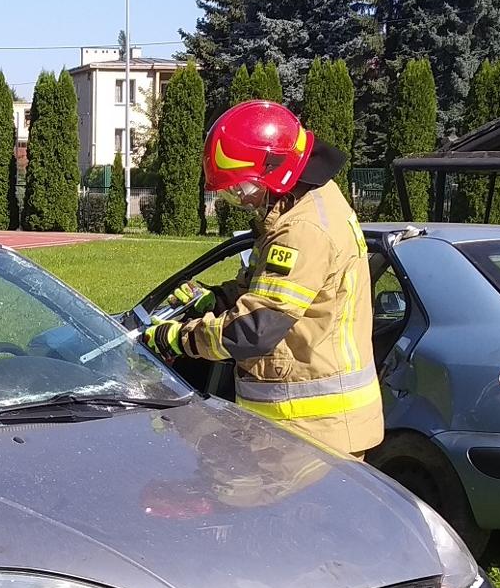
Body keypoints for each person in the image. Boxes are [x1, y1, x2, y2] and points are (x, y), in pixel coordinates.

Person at [142, 100, 382, 459]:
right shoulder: (306, 202)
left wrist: (174, 338)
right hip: (314, 427)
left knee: (234, 498)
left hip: (312, 429)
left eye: (244, 186)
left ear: (275, 166)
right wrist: (215, 298)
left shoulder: (301, 229)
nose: (243, 198)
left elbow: (254, 330)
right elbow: (270, 288)